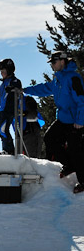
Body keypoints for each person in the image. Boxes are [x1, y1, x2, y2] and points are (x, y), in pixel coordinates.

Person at [23, 50, 84, 193]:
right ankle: (68, 166)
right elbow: (44, 88)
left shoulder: (73, 78)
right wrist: (24, 90)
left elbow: (82, 100)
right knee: (50, 138)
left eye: (54, 62)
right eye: (51, 63)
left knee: (75, 150)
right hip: (62, 119)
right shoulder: (58, 79)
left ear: (62, 61)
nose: (52, 65)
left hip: (75, 120)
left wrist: (80, 120)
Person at [0, 58, 22, 154]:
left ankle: (10, 151)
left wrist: (12, 88)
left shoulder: (14, 81)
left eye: (3, 71)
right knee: (1, 131)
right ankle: (5, 149)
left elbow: (17, 87)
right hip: (1, 111)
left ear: (9, 70)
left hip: (9, 110)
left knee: (3, 130)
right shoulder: (2, 84)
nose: (1, 73)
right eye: (1, 71)